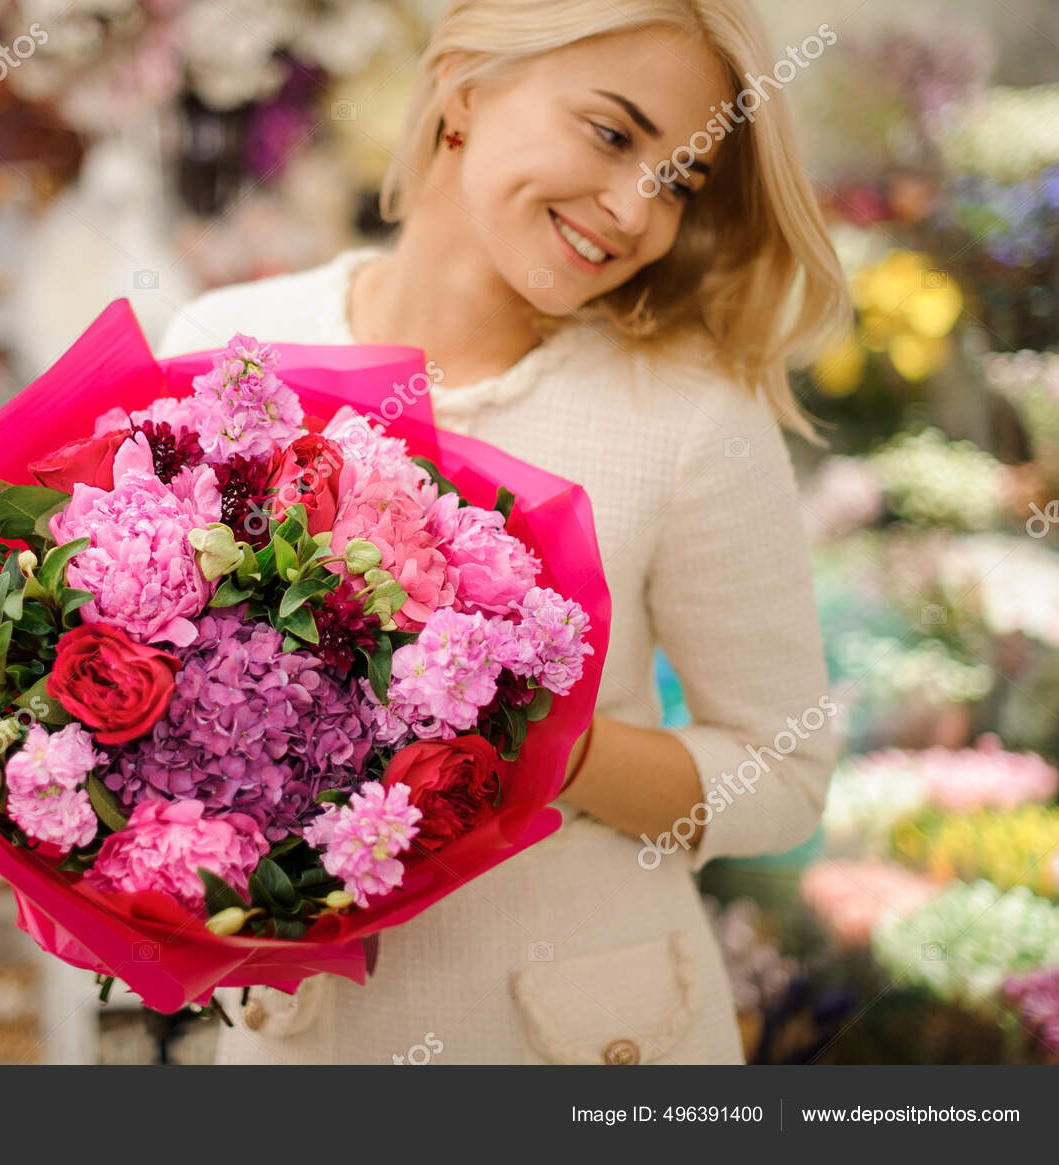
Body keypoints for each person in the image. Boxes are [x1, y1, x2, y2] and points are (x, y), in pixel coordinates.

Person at [155, 0, 849, 1064]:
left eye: (679, 182)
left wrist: (536, 744)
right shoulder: (228, 345)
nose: (633, 207)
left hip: (588, 1045)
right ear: (465, 86)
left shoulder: (688, 417)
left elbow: (783, 772)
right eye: (613, 134)